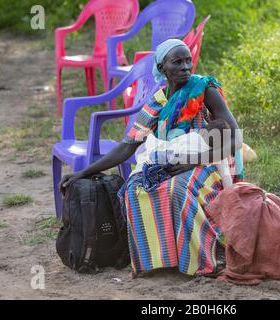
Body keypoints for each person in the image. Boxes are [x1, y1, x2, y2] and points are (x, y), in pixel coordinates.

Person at [59, 39, 243, 277]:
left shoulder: (204, 89)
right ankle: (156, 260)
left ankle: (198, 261)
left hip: (208, 161)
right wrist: (83, 172)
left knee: (178, 189)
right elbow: (127, 145)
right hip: (170, 162)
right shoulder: (157, 101)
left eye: (188, 60)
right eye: (177, 62)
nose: (186, 67)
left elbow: (234, 139)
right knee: (133, 189)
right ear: (162, 67)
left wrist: (195, 159)